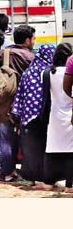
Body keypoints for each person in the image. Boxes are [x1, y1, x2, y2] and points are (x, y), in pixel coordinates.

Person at [0, 24, 36, 181]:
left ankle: (5, 171)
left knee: (4, 137)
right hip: (25, 103)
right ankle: (18, 171)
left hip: (2, 102)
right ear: (27, 40)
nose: (34, 41)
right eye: (33, 38)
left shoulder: (4, 53)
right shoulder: (30, 58)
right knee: (26, 139)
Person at [11, 43, 57, 184]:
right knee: (46, 148)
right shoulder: (51, 72)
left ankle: (30, 178)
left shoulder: (28, 72)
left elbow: (20, 95)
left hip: (29, 117)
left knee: (31, 150)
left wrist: (17, 114)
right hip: (47, 117)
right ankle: (48, 177)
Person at [46, 44, 73, 189]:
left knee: (55, 149)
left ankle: (53, 179)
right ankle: (70, 182)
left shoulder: (48, 73)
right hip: (70, 111)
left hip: (55, 113)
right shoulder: (69, 72)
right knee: (71, 150)